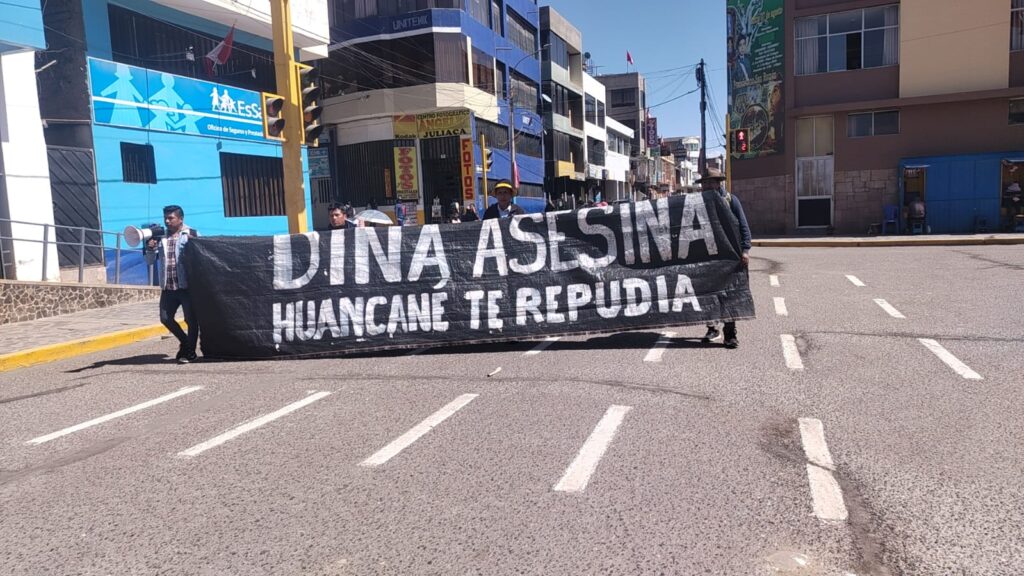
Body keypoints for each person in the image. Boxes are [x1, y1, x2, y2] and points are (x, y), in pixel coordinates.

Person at [696, 169, 752, 349]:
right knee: (708, 295)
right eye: (704, 183)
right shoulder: (697, 203)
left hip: (729, 257)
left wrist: (745, 250)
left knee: (729, 295)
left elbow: (743, 226)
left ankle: (730, 334)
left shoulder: (730, 200)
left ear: (718, 183)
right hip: (707, 256)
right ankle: (712, 329)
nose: (707, 186)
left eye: (710, 182)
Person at [145, 205, 199, 363]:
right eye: (165, 218)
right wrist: (150, 249)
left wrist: (194, 244)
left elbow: (201, 257)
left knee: (191, 320)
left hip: (187, 287)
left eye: (171, 218)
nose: (167, 221)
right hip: (168, 287)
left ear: (180, 219)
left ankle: (190, 352)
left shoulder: (191, 234)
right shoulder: (159, 237)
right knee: (165, 318)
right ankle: (185, 342)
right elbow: (149, 261)